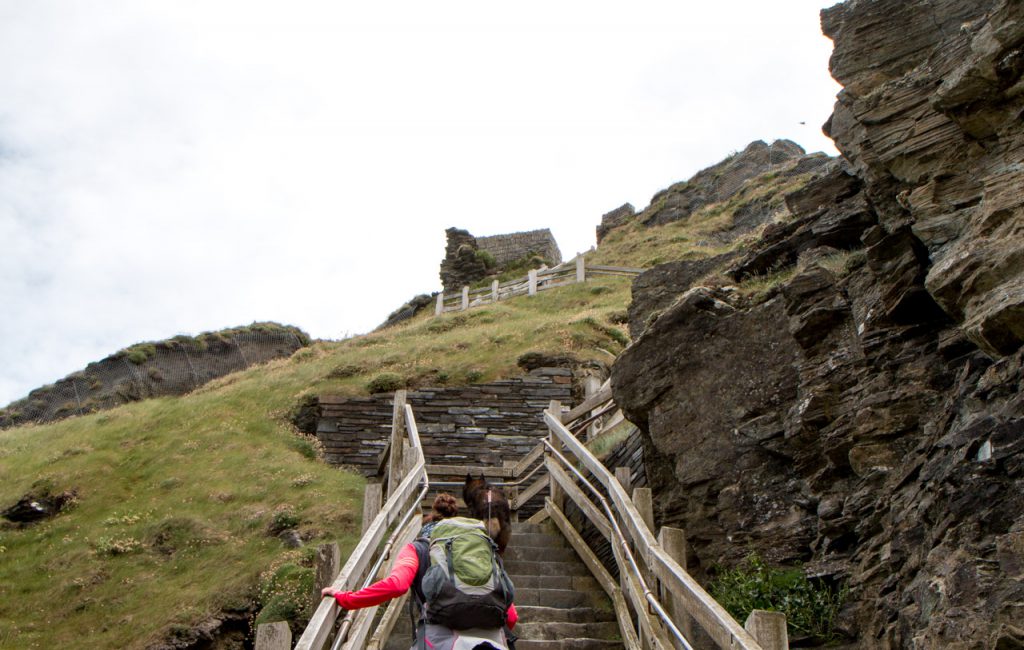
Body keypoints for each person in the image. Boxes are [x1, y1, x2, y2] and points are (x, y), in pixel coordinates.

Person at [322, 493, 518, 650]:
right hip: (492, 640)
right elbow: (511, 617)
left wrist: (347, 598)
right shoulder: (480, 551)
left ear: (427, 524)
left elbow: (397, 585)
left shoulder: (417, 548)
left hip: (438, 638)